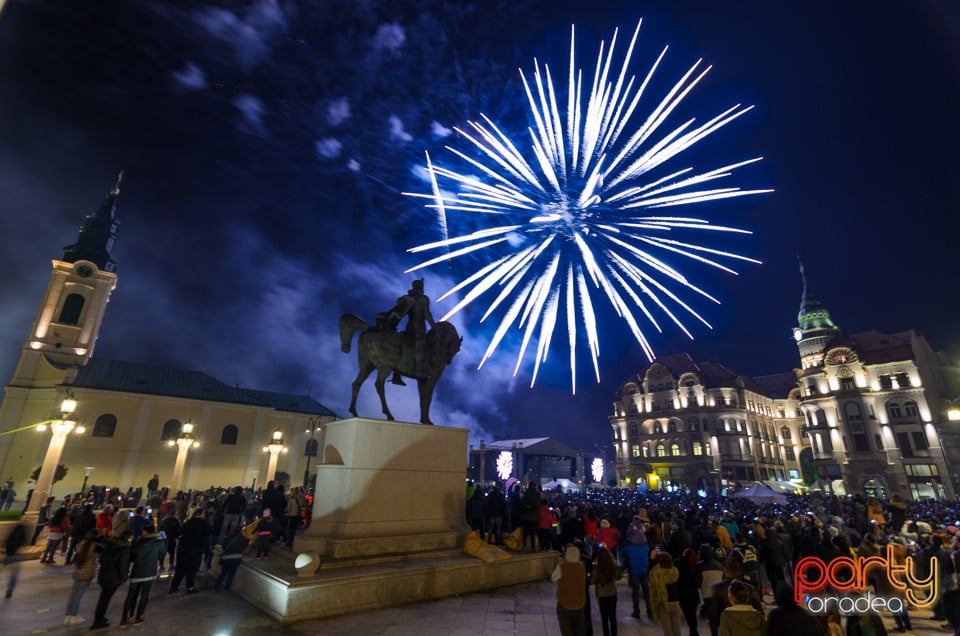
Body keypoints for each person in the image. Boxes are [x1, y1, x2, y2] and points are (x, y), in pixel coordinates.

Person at [382, 278, 436, 382]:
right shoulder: (423, 299)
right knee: (422, 346)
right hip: (419, 327)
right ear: (420, 287)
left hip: (409, 326)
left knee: (405, 344)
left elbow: (402, 309)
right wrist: (434, 327)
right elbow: (427, 314)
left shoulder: (408, 298)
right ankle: (419, 370)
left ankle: (396, 374)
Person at [120, 524, 166, 627]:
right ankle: (138, 618)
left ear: (145, 532)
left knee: (131, 596)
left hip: (137, 572)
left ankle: (124, 619)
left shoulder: (138, 542)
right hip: (150, 572)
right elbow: (162, 554)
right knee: (144, 595)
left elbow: (132, 556)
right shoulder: (159, 542)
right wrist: (154, 558)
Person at [90, 529, 132, 630]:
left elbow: (101, 558)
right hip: (113, 578)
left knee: (103, 598)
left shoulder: (110, 544)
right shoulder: (125, 549)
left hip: (103, 574)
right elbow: (122, 566)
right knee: (105, 600)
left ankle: (100, 618)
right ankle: (98, 621)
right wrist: (124, 578)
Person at [64, 528, 99, 626]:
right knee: (79, 595)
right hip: (87, 574)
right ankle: (74, 616)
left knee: (73, 595)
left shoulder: (80, 545)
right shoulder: (94, 546)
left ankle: (68, 616)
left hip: (78, 573)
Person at [170, 509, 209, 594]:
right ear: (202, 514)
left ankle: (174, 587)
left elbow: (178, 533)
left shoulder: (188, 522)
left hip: (182, 548)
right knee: (191, 570)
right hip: (195, 550)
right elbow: (207, 537)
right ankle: (190, 587)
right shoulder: (204, 524)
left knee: (180, 569)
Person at [552, 544, 587, 636]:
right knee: (580, 631)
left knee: (567, 631)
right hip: (579, 605)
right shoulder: (581, 567)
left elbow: (553, 578)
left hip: (564, 605)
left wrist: (559, 564)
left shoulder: (562, 567)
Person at [621, 529, 651, 619]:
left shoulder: (629, 548)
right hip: (644, 571)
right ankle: (650, 610)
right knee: (646, 592)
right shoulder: (646, 547)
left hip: (634, 571)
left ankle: (636, 611)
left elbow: (621, 552)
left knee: (635, 592)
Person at [650, 551, 681, 636]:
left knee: (667, 631)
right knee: (677, 630)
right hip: (675, 602)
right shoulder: (675, 571)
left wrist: (653, 560)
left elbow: (653, 585)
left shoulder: (656, 572)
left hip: (664, 603)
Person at [594, 545, 620, 636]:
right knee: (613, 617)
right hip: (612, 594)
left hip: (602, 596)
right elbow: (617, 576)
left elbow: (593, 580)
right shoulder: (613, 564)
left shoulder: (598, 566)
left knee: (604, 619)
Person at [677, 548, 700, 636]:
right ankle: (694, 632)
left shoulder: (680, 564)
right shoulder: (696, 565)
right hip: (694, 594)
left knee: (688, 616)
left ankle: (694, 632)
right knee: (692, 616)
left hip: (683, 595)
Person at [2, 523, 25, 599]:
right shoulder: (21, 537)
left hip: (9, 555)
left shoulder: (11, 535)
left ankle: (9, 591)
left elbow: (6, 544)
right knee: (14, 575)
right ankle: (9, 591)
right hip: (16, 556)